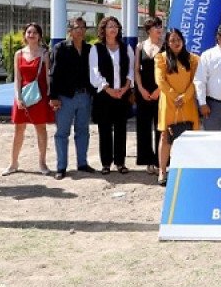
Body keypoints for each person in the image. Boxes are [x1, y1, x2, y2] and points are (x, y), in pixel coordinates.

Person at [48, 17, 96, 180]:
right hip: (65, 97)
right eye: (77, 27)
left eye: (83, 27)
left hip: (84, 96)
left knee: (83, 131)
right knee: (62, 133)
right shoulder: (60, 48)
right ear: (70, 30)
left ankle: (82, 163)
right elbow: (53, 74)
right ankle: (61, 167)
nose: (81, 30)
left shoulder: (90, 49)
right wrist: (53, 97)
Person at [4, 22, 54, 176]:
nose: (31, 35)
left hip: (40, 96)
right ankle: (13, 163)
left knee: (41, 129)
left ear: (39, 36)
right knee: (18, 130)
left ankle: (42, 163)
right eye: (29, 32)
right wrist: (18, 97)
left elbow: (47, 78)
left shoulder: (45, 54)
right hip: (23, 96)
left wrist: (50, 97)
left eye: (34, 32)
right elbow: (17, 78)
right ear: (25, 35)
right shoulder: (18, 54)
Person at [89, 16, 135, 175]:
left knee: (121, 129)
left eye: (115, 26)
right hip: (104, 96)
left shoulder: (126, 48)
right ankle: (106, 163)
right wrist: (108, 89)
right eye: (110, 26)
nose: (113, 29)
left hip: (122, 94)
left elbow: (131, 70)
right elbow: (95, 72)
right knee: (105, 129)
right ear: (103, 30)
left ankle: (120, 162)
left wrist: (125, 87)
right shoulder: (96, 49)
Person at [155, 29, 200, 186]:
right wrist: (175, 96)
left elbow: (196, 80)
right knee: (166, 137)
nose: (176, 42)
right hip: (169, 103)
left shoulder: (193, 59)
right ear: (167, 42)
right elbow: (160, 80)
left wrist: (185, 96)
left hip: (187, 104)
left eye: (178, 39)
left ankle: (189, 171)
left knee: (190, 138)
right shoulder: (160, 58)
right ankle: (162, 171)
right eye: (172, 40)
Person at [134, 17, 163, 175]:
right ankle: (147, 161)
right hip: (143, 92)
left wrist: (159, 89)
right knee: (143, 127)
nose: (159, 29)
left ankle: (160, 161)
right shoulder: (140, 46)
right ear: (148, 30)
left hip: (161, 92)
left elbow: (168, 71)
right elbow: (136, 70)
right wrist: (140, 88)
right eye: (156, 26)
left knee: (160, 127)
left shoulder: (166, 47)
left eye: (160, 26)